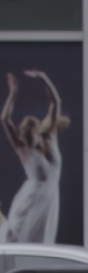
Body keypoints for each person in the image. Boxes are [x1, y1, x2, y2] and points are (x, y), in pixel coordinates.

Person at [0, 70, 68, 246]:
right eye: (25, 135)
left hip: (49, 199)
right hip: (31, 201)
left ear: (37, 131)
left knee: (42, 241)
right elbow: (5, 119)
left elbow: (55, 101)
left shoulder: (50, 139)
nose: (28, 138)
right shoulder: (24, 150)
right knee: (15, 236)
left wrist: (44, 78)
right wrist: (13, 94)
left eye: (30, 133)